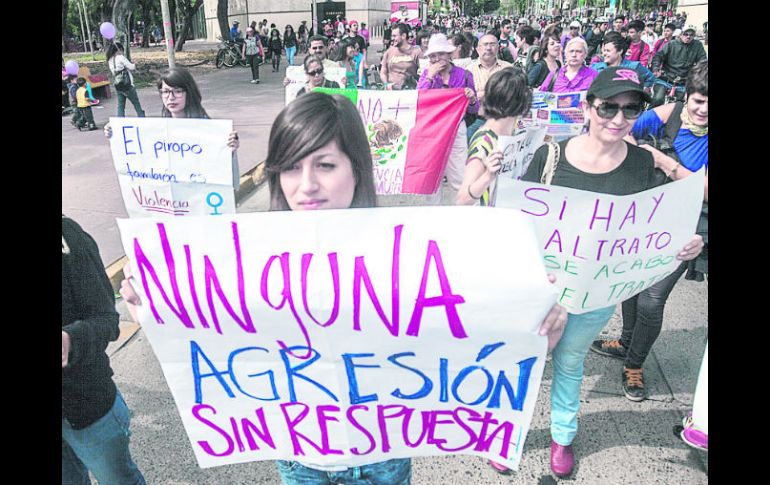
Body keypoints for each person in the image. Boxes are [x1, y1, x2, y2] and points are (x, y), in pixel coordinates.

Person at [521, 66, 704, 478]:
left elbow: (658, 228)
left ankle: (562, 436)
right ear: (588, 108)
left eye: (631, 108)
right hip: (541, 291)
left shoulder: (642, 163)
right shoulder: (550, 156)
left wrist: (685, 244)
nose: (618, 119)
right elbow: (520, 221)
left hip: (595, 295)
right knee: (524, 363)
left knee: (569, 362)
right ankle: (508, 433)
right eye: (608, 107)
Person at [590, 60, 708, 400]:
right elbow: (620, 129)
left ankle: (635, 364)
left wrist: (664, 162)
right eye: (699, 101)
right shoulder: (666, 113)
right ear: (688, 97)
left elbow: (705, 189)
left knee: (652, 300)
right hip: (643, 218)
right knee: (631, 284)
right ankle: (626, 340)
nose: (703, 110)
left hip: (688, 226)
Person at [62, 215, 147, 485]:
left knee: (119, 480)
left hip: (88, 409)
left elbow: (107, 320)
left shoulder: (69, 238)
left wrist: (70, 339)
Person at [104, 67, 240, 188]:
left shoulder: (209, 131)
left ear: (189, 92)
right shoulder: (156, 132)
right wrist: (116, 132)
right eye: (165, 92)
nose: (171, 97)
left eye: (178, 91)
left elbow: (227, 179)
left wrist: (230, 151)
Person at [417, 33, 479, 204]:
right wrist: (430, 76)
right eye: (433, 55)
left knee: (458, 176)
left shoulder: (464, 75)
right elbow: (418, 99)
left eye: (441, 54)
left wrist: (472, 98)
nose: (437, 59)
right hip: (432, 131)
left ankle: (460, 214)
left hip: (456, 129)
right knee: (432, 177)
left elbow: (475, 108)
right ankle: (432, 217)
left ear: (449, 54)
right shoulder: (426, 74)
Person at [457, 66, 531, 207]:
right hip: (489, 222)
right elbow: (463, 199)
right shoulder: (484, 140)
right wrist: (487, 176)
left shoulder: (513, 132)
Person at [465, 33, 512, 140]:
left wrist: (486, 93)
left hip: (503, 121)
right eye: (485, 44)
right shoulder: (468, 71)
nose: (488, 48)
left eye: (492, 44)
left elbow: (515, 95)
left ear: (498, 47)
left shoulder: (508, 69)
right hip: (476, 121)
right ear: (477, 49)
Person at [649, 26, 706, 107]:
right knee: (658, 99)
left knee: (679, 106)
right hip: (665, 78)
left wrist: (699, 75)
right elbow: (658, 56)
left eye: (691, 34)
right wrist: (655, 69)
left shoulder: (697, 45)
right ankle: (649, 118)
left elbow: (703, 61)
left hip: (683, 81)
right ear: (680, 34)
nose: (688, 36)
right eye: (686, 34)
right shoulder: (671, 44)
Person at [590, 32, 657, 89]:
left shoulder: (634, 67)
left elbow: (651, 79)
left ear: (620, 51)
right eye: (604, 50)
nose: (604, 54)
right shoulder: (595, 68)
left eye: (608, 51)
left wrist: (640, 91)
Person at [106, 42, 146, 118]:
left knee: (121, 105)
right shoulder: (121, 57)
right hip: (127, 84)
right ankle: (141, 116)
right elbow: (131, 67)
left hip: (118, 84)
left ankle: (120, 119)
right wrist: (135, 64)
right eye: (122, 50)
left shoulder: (110, 60)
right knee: (136, 103)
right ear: (119, 50)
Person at [380, 23, 421, 90]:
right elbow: (383, 72)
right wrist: (386, 84)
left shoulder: (416, 52)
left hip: (408, 92)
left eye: (395, 36)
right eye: (392, 36)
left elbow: (423, 73)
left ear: (403, 36)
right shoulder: (388, 52)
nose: (392, 38)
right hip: (391, 92)